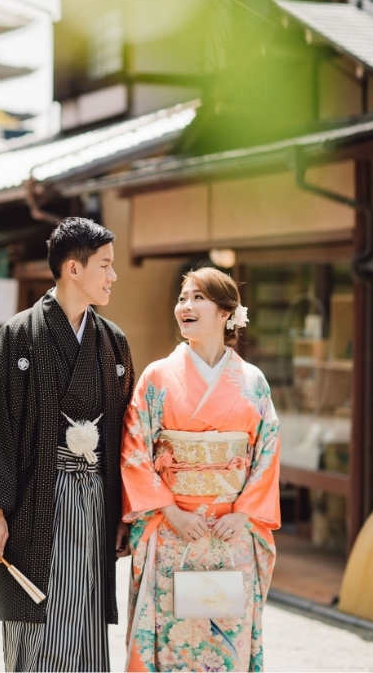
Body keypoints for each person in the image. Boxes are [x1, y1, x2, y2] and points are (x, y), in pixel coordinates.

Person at [0, 217, 135, 672]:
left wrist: (126, 512)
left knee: (83, 621)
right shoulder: (18, 336)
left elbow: (129, 439)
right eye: (105, 265)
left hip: (93, 505)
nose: (113, 276)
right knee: (35, 622)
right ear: (74, 268)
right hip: (34, 505)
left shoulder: (112, 343)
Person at [121, 267, 281, 671]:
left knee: (228, 640)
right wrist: (169, 510)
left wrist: (244, 512)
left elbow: (267, 449)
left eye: (198, 298)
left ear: (226, 312)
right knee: (170, 637)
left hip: (232, 531)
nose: (185, 307)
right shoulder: (157, 376)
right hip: (172, 528)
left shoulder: (253, 380)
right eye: (182, 298)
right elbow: (135, 446)